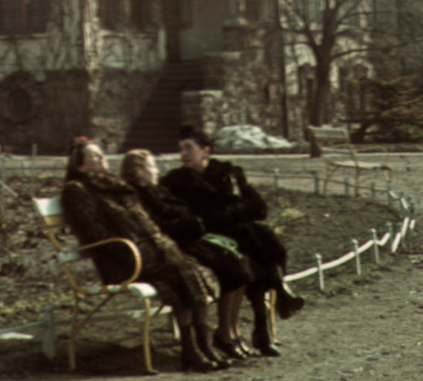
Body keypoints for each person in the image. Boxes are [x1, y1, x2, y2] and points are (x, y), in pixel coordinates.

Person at [62, 137, 226, 371]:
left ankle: (203, 345)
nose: (102, 158)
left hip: (150, 253)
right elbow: (95, 234)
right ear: (79, 164)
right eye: (94, 155)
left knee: (193, 269)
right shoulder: (77, 190)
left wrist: (156, 246)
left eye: (101, 153)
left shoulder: (113, 185)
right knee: (179, 273)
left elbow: (146, 223)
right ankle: (190, 349)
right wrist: (136, 251)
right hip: (123, 261)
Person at [122, 149, 272, 359]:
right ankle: (215, 339)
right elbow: (159, 227)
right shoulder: (139, 196)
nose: (156, 171)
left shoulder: (157, 191)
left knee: (240, 262)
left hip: (188, 239)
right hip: (175, 246)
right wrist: (194, 224)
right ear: (139, 171)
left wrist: (196, 223)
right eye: (152, 166)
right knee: (228, 267)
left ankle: (230, 332)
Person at [160, 126, 307, 328]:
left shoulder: (227, 173)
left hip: (234, 233)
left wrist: (225, 214)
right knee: (255, 239)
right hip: (205, 238)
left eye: (188, 148)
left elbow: (258, 206)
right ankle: (273, 303)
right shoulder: (175, 181)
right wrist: (225, 215)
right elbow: (187, 217)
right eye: (181, 149)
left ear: (205, 150)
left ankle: (263, 320)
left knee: (260, 237)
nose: (183, 154)